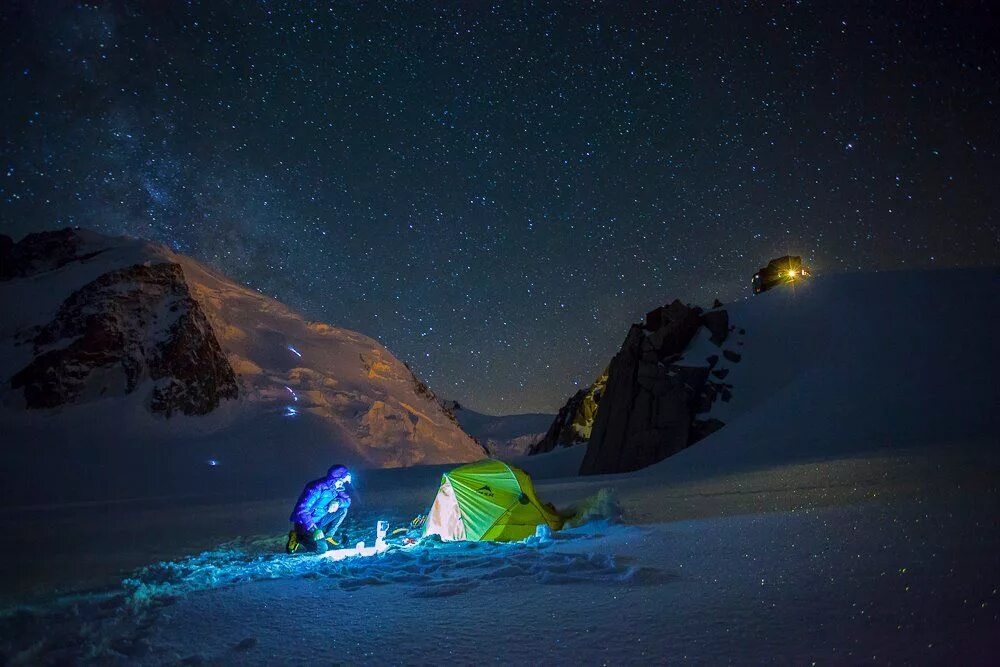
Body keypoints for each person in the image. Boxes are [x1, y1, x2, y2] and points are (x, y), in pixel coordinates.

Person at [285, 464, 353, 554]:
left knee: (343, 510)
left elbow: (347, 501)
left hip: (319, 519)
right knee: (322, 549)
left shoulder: (335, 488)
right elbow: (302, 510)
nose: (343, 483)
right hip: (305, 523)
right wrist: (314, 530)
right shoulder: (316, 488)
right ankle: (298, 536)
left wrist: (338, 502)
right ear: (336, 479)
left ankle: (328, 536)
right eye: (342, 481)